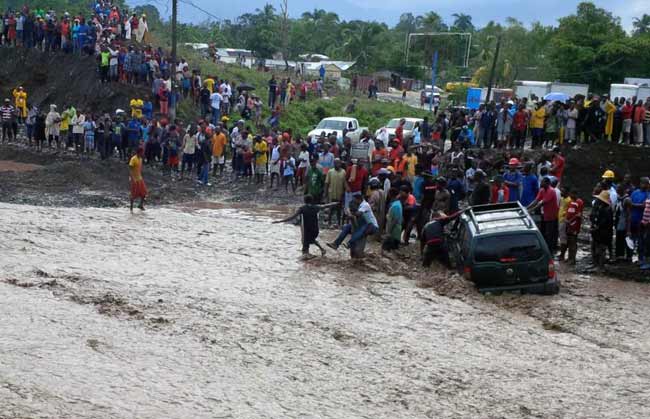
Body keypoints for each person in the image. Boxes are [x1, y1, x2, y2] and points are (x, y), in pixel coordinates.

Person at [273, 195, 338, 259]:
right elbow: (325, 206)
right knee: (311, 240)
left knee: (306, 245)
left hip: (307, 230)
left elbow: (292, 217)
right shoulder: (316, 207)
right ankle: (321, 250)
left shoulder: (302, 208)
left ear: (304, 201)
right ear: (312, 201)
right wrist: (335, 203)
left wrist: (280, 221)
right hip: (315, 229)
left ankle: (308, 257)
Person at [528, 177, 560, 255]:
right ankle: (547, 249)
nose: (541, 183)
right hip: (545, 214)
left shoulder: (551, 191)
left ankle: (550, 251)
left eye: (542, 182)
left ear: (547, 183)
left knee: (550, 234)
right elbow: (536, 200)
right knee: (544, 232)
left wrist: (530, 210)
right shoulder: (542, 190)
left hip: (552, 215)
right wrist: (526, 207)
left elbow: (542, 203)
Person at [590, 190, 613, 268]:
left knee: (601, 250)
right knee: (595, 248)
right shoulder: (600, 207)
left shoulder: (607, 210)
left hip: (603, 233)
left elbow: (604, 222)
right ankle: (596, 264)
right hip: (598, 232)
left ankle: (600, 266)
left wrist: (596, 228)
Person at [564, 189, 584, 265]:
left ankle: (573, 259)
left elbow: (578, 214)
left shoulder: (579, 202)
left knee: (573, 242)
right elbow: (568, 211)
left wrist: (570, 220)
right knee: (569, 241)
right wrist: (566, 219)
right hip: (568, 224)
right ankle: (569, 257)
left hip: (575, 225)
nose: (570, 196)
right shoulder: (571, 201)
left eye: (571, 194)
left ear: (575, 194)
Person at [614, 184, 633, 262]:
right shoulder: (619, 198)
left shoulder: (627, 200)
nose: (616, 190)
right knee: (619, 241)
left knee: (626, 241)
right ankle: (619, 257)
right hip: (619, 224)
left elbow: (629, 215)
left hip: (624, 225)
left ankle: (628, 258)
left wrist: (628, 230)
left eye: (618, 188)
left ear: (622, 189)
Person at [325, 159, 346, 226]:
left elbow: (345, 184)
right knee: (330, 209)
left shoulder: (343, 172)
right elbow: (327, 183)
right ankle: (329, 223)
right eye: (335, 163)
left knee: (339, 210)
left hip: (340, 194)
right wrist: (325, 193)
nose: (337, 164)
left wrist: (344, 194)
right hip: (331, 194)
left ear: (340, 163)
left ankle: (339, 223)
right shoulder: (330, 171)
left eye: (338, 163)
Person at [382, 188, 403, 256]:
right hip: (396, 229)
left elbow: (394, 220)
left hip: (394, 230)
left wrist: (389, 231)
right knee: (392, 249)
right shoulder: (398, 203)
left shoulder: (395, 206)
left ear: (390, 195)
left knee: (386, 248)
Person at [129, 147, 147, 212]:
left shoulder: (140, 159)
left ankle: (140, 205)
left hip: (140, 178)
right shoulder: (133, 159)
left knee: (144, 192)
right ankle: (131, 209)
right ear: (139, 152)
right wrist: (132, 178)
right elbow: (130, 169)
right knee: (133, 194)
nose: (143, 153)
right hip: (135, 179)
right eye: (142, 152)